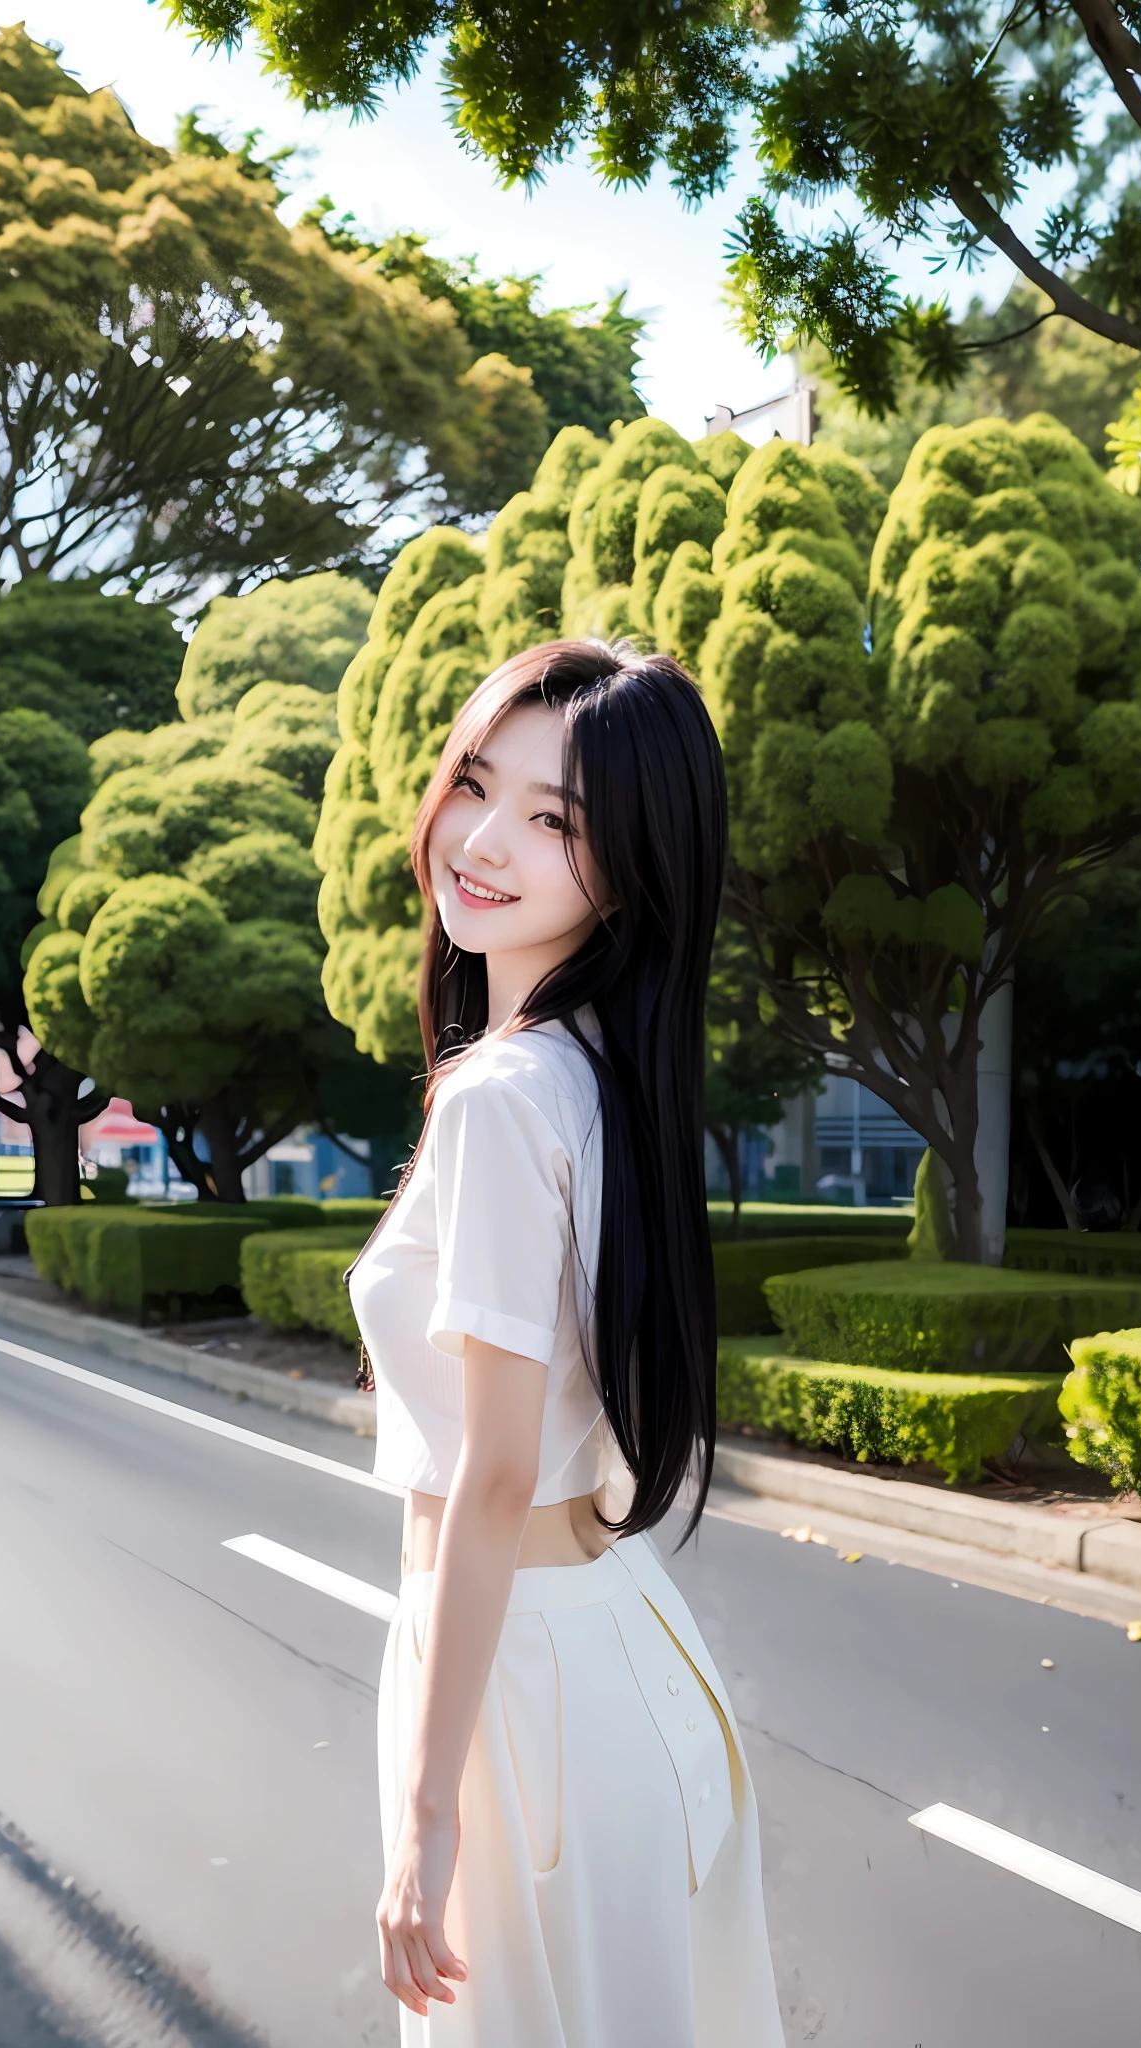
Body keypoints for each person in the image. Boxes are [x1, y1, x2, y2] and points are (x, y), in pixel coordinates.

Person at [348, 640, 783, 2045]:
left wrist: (420, 1813)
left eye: (555, 821)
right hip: (627, 1646)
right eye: (478, 782)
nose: (482, 841)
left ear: (630, 869)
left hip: (519, 1695)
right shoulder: (605, 1071)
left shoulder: (499, 1098)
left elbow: (490, 1477)